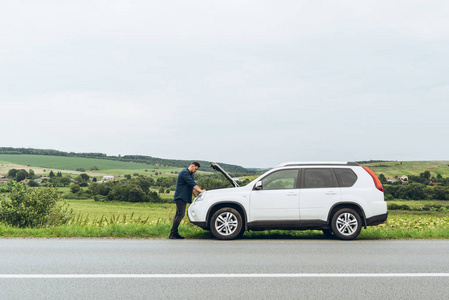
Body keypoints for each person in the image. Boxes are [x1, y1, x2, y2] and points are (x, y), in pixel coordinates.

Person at [169, 161, 206, 239]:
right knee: (180, 215)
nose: (196, 171)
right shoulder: (184, 173)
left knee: (178, 215)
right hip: (180, 197)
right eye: (195, 169)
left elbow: (192, 187)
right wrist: (201, 190)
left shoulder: (190, 174)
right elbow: (192, 183)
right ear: (192, 166)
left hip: (183, 197)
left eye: (197, 170)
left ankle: (174, 233)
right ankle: (172, 234)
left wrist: (196, 197)